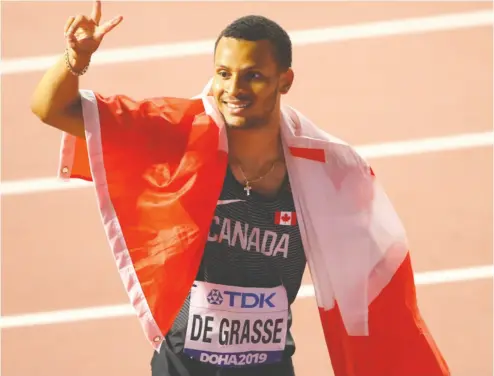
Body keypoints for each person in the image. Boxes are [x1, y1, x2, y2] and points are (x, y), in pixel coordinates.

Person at [30, 1, 450, 376]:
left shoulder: (325, 173)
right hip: (182, 366)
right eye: (224, 74)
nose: (234, 89)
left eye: (253, 76)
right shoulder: (177, 139)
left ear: (284, 81)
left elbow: (378, 283)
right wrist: (76, 58)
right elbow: (50, 109)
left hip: (268, 368)